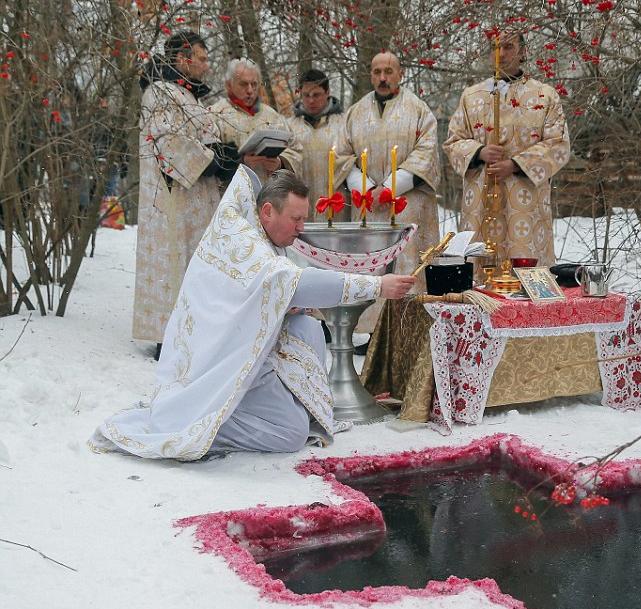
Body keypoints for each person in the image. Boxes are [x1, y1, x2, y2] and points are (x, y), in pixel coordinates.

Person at [90, 169, 416, 460]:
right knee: (289, 435)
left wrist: (287, 302)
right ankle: (200, 424)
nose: (302, 229)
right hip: (217, 361)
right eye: (296, 219)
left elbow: (278, 289)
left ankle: (248, 412)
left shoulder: (259, 234)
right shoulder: (242, 240)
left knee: (308, 328)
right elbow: (293, 281)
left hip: (239, 351)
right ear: (267, 211)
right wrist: (376, 286)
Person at [133, 31, 240, 357]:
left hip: (196, 200)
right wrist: (214, 160)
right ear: (183, 58)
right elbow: (170, 145)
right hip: (173, 203)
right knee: (176, 267)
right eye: (203, 58)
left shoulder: (187, 94)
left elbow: (203, 134)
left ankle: (196, 332)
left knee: (197, 268)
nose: (207, 66)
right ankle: (170, 338)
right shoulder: (160, 93)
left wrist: (227, 151)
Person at [334, 51, 441, 337]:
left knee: (408, 270)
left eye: (389, 71)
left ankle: (410, 330)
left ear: (400, 74)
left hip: (408, 205)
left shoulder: (418, 110)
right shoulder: (355, 112)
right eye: (377, 71)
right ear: (370, 74)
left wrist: (393, 186)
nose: (382, 77)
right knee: (371, 269)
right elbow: (342, 154)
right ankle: (368, 333)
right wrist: (367, 188)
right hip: (368, 206)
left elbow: (427, 151)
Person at [443, 31, 570, 272]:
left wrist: (515, 164)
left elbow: (558, 144)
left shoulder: (544, 95)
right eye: (495, 46)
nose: (501, 53)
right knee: (480, 272)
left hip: (524, 200)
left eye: (509, 46)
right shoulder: (472, 97)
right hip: (481, 199)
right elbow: (453, 141)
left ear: (523, 52)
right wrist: (479, 152)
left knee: (524, 270)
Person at [209, 59, 303, 182]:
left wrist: (281, 163)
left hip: (268, 194)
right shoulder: (215, 114)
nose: (250, 90)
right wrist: (241, 161)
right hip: (231, 194)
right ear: (229, 85)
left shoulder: (272, 116)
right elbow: (210, 158)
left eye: (254, 84)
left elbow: (296, 151)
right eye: (243, 84)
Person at [286, 68, 346, 221]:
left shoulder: (344, 124)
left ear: (327, 93)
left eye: (316, 95)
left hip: (336, 209)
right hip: (300, 208)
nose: (311, 100)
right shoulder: (289, 127)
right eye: (306, 95)